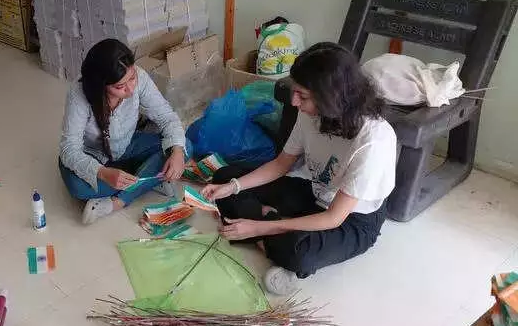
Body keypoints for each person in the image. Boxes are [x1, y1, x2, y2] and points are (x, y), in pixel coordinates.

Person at [202, 42, 397, 295]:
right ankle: (274, 231)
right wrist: (232, 186)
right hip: (316, 193)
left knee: (300, 254)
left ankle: (269, 231)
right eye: (296, 92)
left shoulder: (374, 140)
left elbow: (333, 218)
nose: (294, 102)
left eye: (302, 96)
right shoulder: (311, 113)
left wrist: (260, 227)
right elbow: (282, 164)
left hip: (352, 218)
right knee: (225, 177)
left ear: (332, 97)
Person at [59, 38, 190, 224]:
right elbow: (69, 149)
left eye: (132, 78)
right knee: (78, 187)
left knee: (184, 147)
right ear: (101, 86)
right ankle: (149, 178)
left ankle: (117, 201)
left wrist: (176, 151)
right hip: (95, 155)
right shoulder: (79, 94)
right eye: (119, 87)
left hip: (128, 145)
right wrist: (103, 173)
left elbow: (166, 117)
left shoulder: (140, 78)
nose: (130, 89)